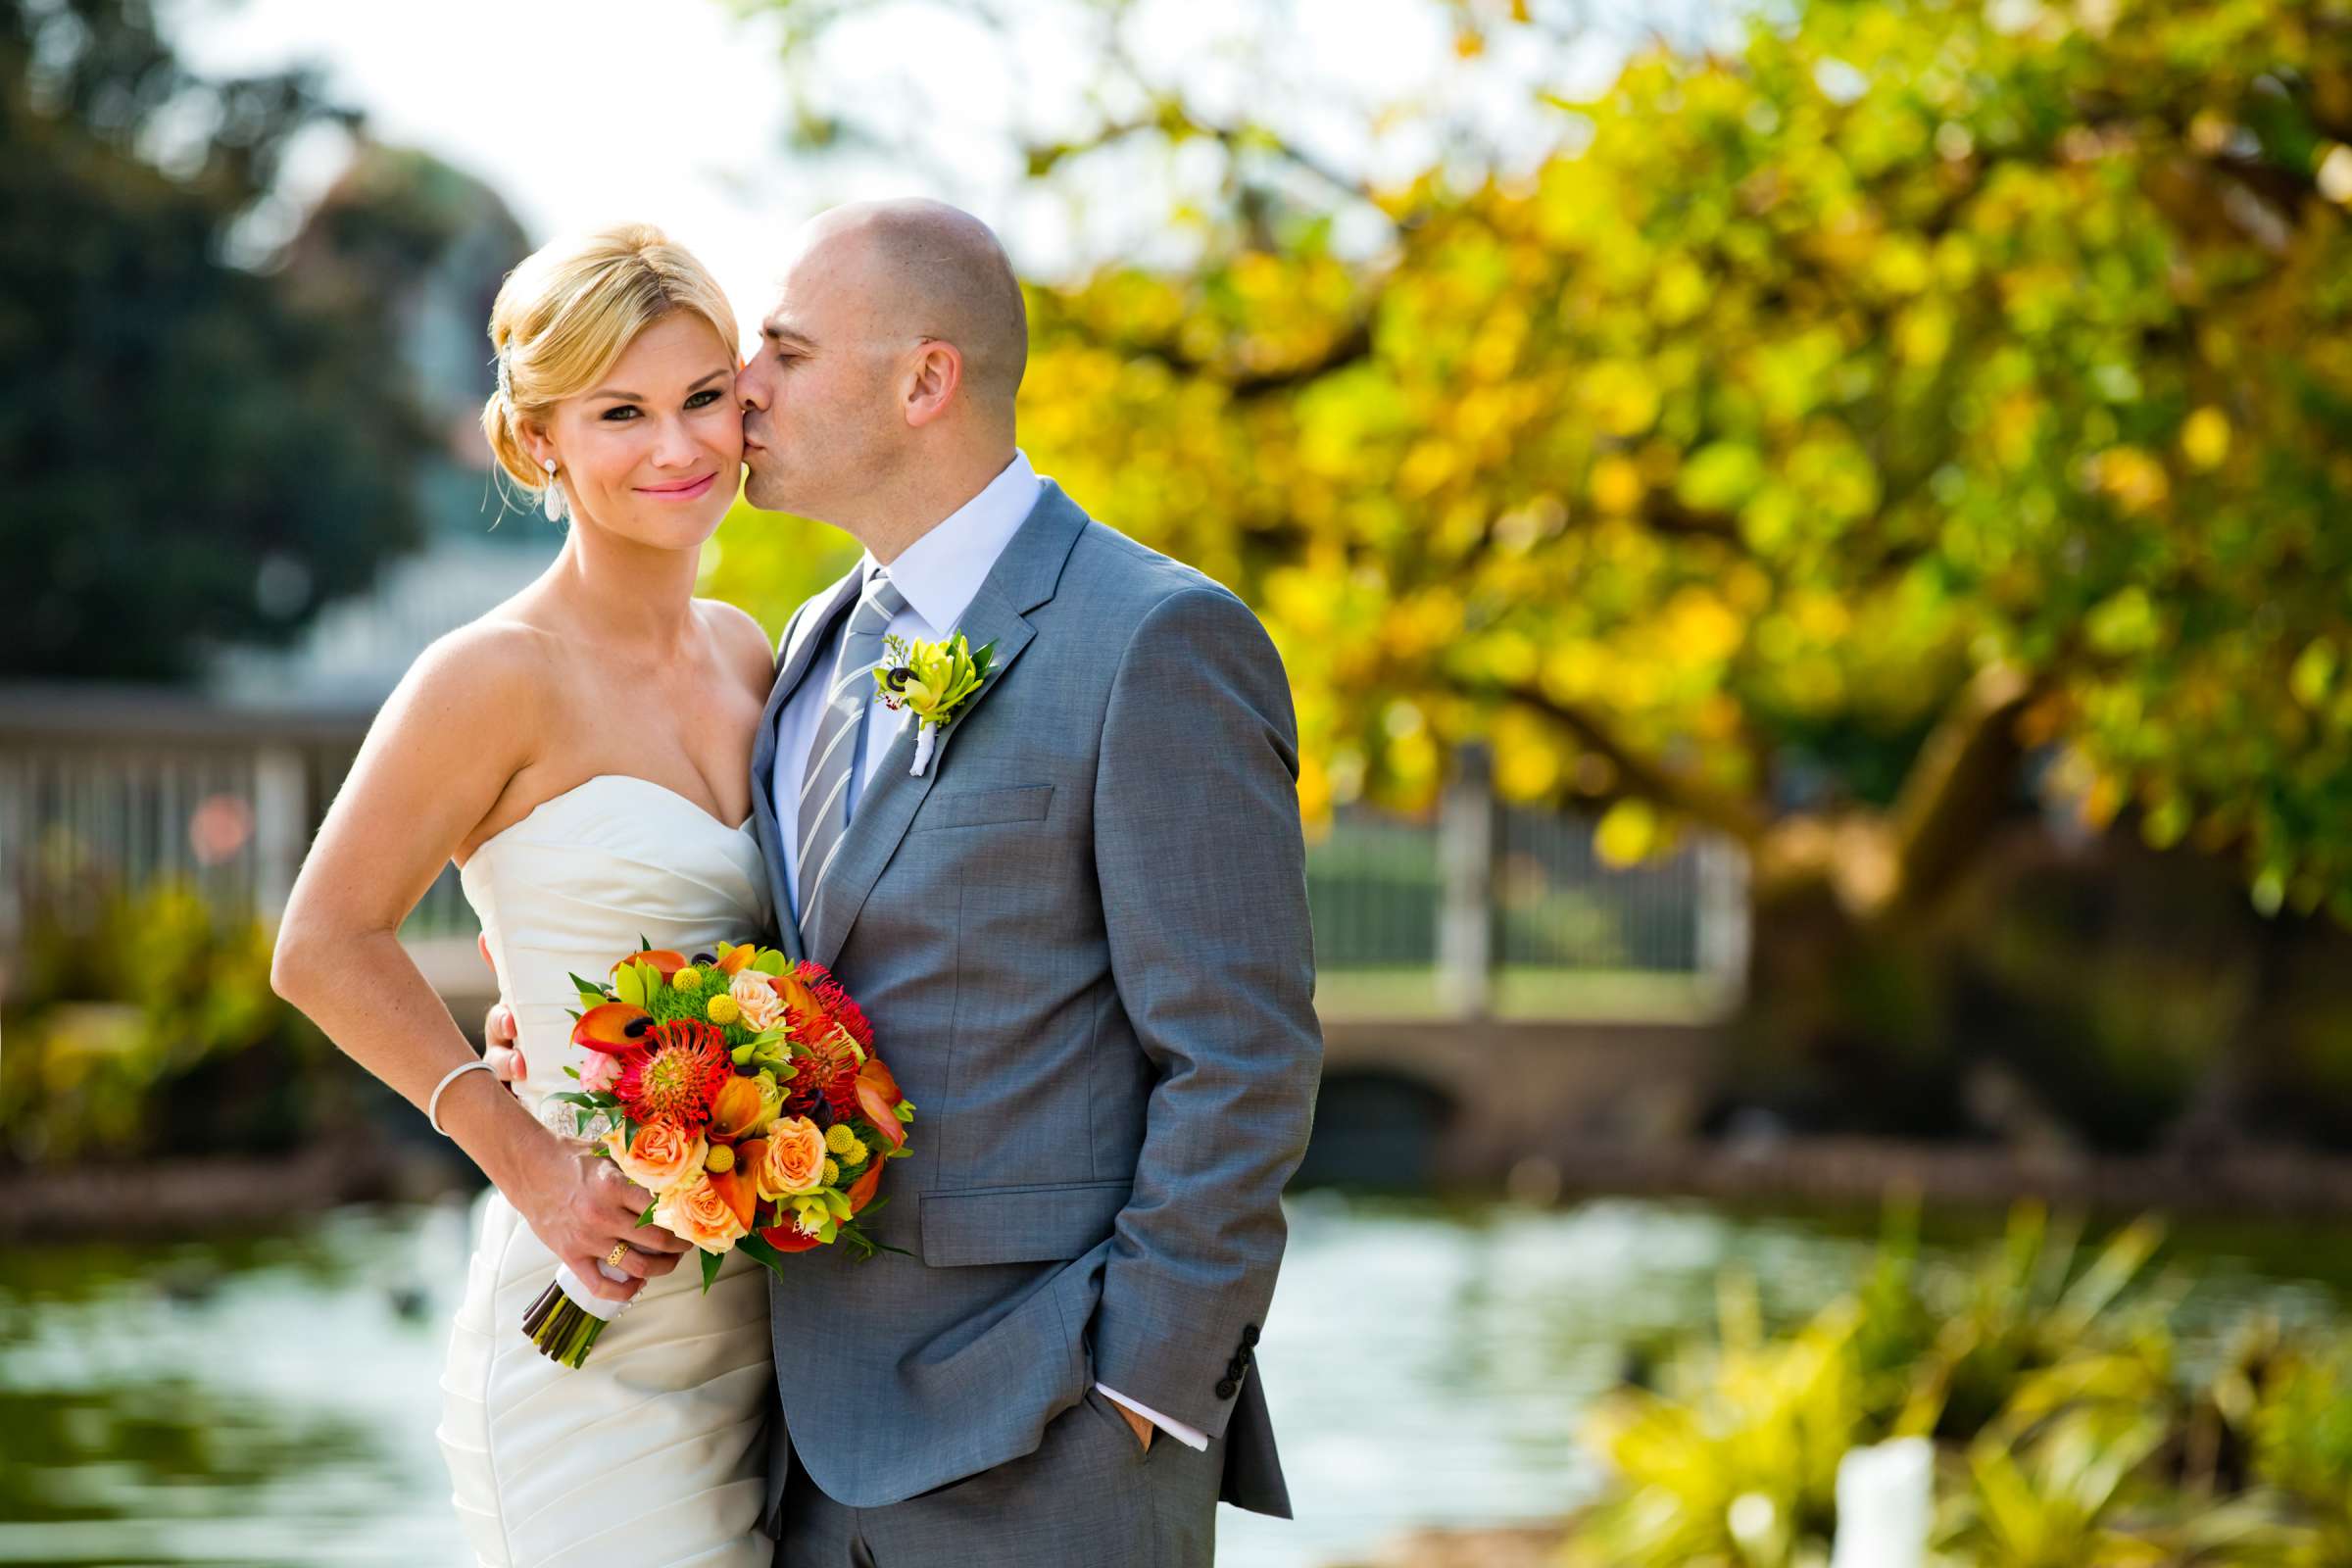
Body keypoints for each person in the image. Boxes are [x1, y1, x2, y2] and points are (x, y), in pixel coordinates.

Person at [492, 197, 1325, 1566]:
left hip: (1050, 1444)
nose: (739, 388)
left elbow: (1241, 1061)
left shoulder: (1157, 640)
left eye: (788, 351)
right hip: (790, 1453)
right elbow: (783, 950)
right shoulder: (811, 642)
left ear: (925, 380)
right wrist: (570, 1036)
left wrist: (1139, 1398)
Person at [270, 223, 780, 1567]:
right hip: (586, 1316)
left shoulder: (755, 658)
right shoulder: (487, 676)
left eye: (702, 398)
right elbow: (322, 943)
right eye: (621, 412)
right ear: (539, 438)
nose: (677, 448)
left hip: (760, 1329)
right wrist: (532, 1163)